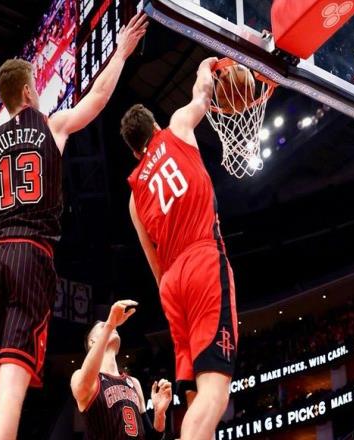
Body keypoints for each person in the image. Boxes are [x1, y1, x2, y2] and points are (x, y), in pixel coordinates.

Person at [0, 12, 148, 440]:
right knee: (11, 394)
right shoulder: (52, 126)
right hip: (32, 256)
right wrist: (121, 52)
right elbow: (97, 99)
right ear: (30, 91)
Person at [120, 57, 238, 440]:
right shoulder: (177, 128)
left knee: (195, 397)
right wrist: (206, 65)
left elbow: (152, 261)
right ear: (155, 127)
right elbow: (203, 94)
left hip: (171, 282)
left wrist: (172, 288)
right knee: (216, 391)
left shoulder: (134, 198)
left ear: (135, 152)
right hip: (202, 258)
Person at [71, 300, 172, 439]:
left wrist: (159, 414)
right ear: (92, 342)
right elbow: (82, 386)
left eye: (113, 326)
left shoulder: (134, 382)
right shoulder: (80, 377)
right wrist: (109, 325)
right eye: (104, 326)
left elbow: (151, 438)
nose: (113, 326)